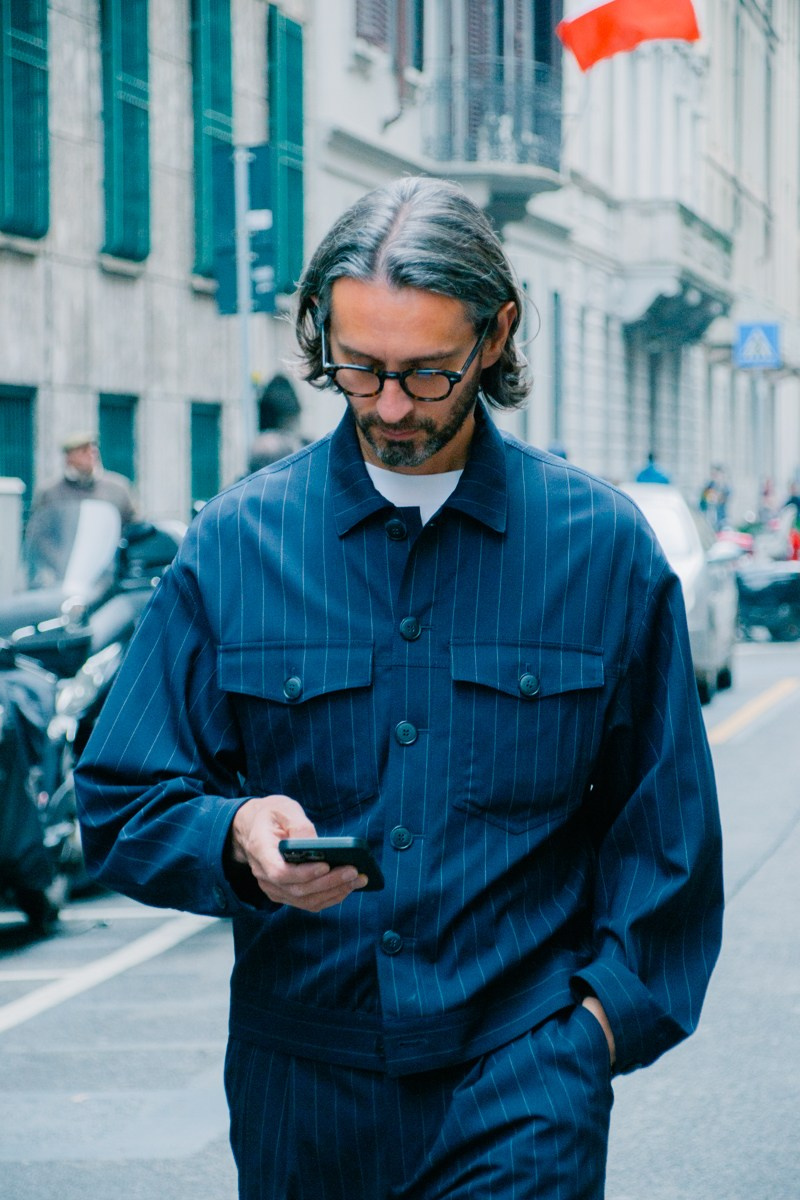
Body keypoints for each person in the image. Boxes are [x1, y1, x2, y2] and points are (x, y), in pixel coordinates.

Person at [75, 177, 723, 1200]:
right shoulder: (235, 544)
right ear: (318, 332)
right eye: (357, 368)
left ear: (494, 335)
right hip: (300, 1093)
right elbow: (119, 800)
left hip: (522, 1081)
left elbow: (665, 840)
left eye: (425, 375)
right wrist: (236, 837)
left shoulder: (599, 549)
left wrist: (590, 1039)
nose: (385, 406)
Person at [31, 432, 138, 527]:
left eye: (93, 450)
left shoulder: (118, 488)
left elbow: (134, 524)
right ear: (68, 457)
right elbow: (39, 531)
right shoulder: (50, 492)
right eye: (83, 451)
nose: (90, 455)